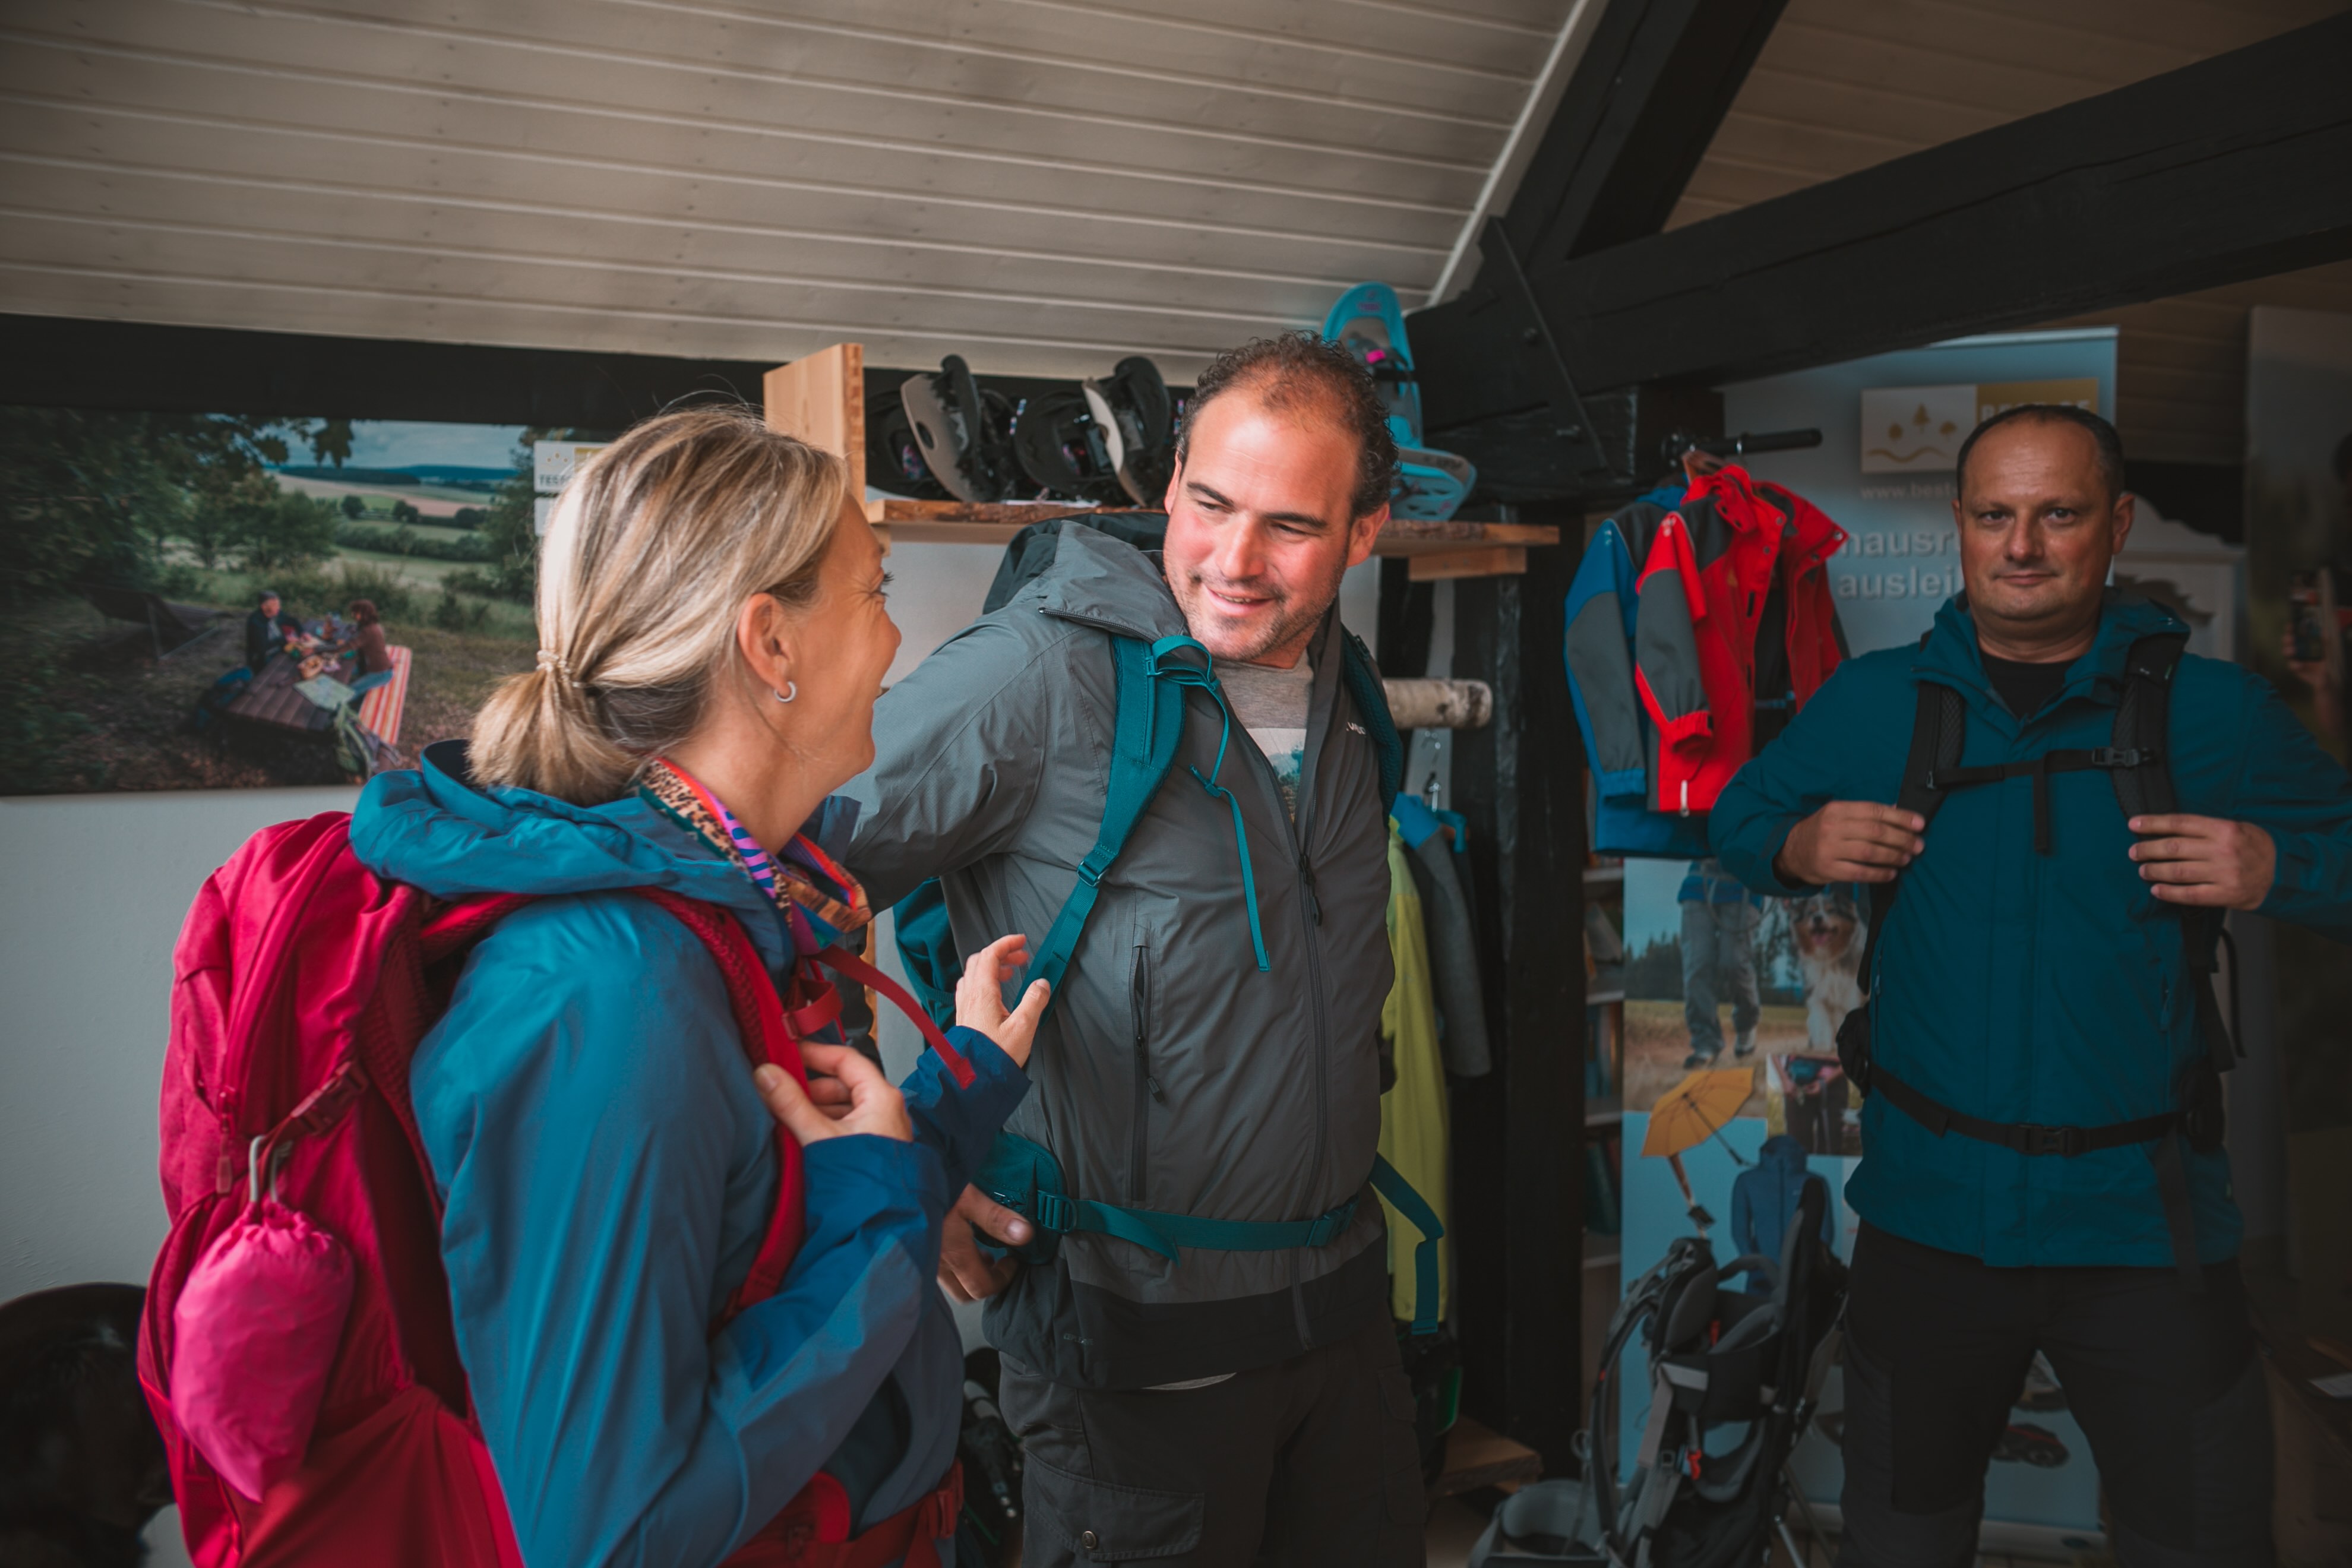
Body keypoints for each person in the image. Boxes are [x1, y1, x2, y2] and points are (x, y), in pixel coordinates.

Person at [346, 408, 1045, 1567]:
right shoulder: (610, 1000)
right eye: (874, 594)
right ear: (769, 645)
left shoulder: (741, 912)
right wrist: (880, 1208)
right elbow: (612, 1531)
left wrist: (958, 1096)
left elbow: (772, 1233)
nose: (895, 640)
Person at [1711, 404, 2352, 1567]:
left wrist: (2282, 865)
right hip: (1929, 1224)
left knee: (2203, 1543)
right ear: (1958, 525)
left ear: (2115, 526)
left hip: (2147, 1232)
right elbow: (1738, 817)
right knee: (1902, 1540)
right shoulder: (1876, 703)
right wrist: (1799, 846)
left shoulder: (2217, 717)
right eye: (1996, 516)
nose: (2023, 546)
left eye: (2057, 515)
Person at [840, 333, 1425, 1566]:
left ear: (1365, 533)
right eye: (1208, 506)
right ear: (1168, 487)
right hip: (1133, 1351)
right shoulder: (1038, 676)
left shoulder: (1348, 692)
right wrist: (892, 1155)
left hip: (1343, 1326)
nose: (1235, 561)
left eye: (1292, 528)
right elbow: (768, 882)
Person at [1677, 856, 1763, 1066]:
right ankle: (1705, 1043)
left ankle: (1746, 1023)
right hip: (1700, 880)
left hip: (1745, 881)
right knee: (1697, 964)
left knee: (1734, 962)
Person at [343, 598, 396, 696]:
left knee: (350, 691)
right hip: (367, 666)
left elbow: (349, 646)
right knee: (342, 668)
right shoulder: (369, 625)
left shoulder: (370, 631)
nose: (353, 615)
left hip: (381, 673)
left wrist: (324, 650)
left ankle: (333, 708)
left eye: (355, 613)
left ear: (365, 614)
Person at [243, 589, 298, 670]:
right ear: (264, 607)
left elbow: (292, 621)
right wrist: (285, 639)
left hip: (279, 649)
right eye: (275, 605)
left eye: (278, 605)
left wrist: (303, 632)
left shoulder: (275, 613)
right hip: (263, 659)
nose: (279, 608)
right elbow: (263, 648)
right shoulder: (256, 622)